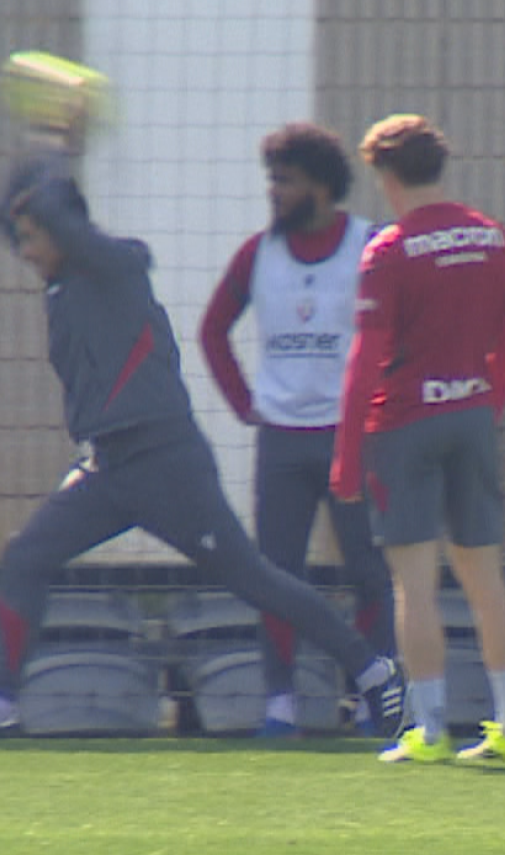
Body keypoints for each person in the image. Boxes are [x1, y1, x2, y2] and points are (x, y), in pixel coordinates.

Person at [0, 128, 406, 742]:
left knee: (255, 578)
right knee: (27, 556)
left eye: (33, 240)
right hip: (109, 468)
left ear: (63, 233)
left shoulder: (116, 265)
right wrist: (34, 154)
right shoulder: (62, 280)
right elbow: (14, 220)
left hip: (166, 463)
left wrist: (63, 148)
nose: (25, 253)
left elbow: (56, 213)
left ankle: (373, 671)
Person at [330, 114, 505, 763]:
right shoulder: (493, 238)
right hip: (472, 414)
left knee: (413, 585)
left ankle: (430, 730)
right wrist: (484, 407)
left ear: (384, 174)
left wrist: (346, 455)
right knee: (486, 576)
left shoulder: (388, 250)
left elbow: (366, 360)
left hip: (404, 427)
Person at [199, 123, 394, 738]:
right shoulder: (258, 254)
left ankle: (374, 700)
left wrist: (384, 409)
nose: (273, 192)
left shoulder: (369, 247)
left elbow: (401, 334)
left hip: (352, 436)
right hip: (281, 441)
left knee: (368, 570)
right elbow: (212, 331)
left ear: (319, 185)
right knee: (276, 573)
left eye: (284, 180)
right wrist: (246, 405)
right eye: (271, 180)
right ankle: (281, 701)